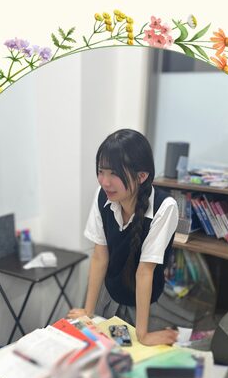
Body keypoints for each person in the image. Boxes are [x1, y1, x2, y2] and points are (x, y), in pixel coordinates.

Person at [68, 129, 179, 346]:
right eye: (101, 171)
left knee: (134, 356)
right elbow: (100, 256)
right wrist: (88, 312)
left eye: (114, 174)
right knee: (103, 353)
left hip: (144, 304)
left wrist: (143, 334)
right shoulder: (102, 196)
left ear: (141, 176)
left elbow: (145, 271)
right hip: (109, 296)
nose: (105, 182)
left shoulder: (165, 207)